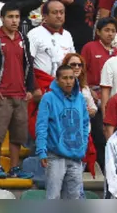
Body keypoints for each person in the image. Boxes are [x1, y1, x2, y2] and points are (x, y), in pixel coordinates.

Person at [0, 4, 36, 180]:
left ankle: (14, 168)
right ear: (2, 17)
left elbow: (28, 64)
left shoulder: (23, 38)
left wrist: (30, 88)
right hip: (2, 95)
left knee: (18, 136)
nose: (14, 21)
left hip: (20, 95)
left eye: (17, 17)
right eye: (10, 17)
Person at [35, 63, 91, 200]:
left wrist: (83, 146)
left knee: (74, 197)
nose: (68, 81)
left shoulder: (80, 98)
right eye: (65, 78)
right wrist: (41, 151)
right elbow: (41, 126)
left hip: (76, 156)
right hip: (55, 156)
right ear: (57, 80)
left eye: (71, 78)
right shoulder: (48, 98)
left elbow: (84, 124)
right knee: (53, 197)